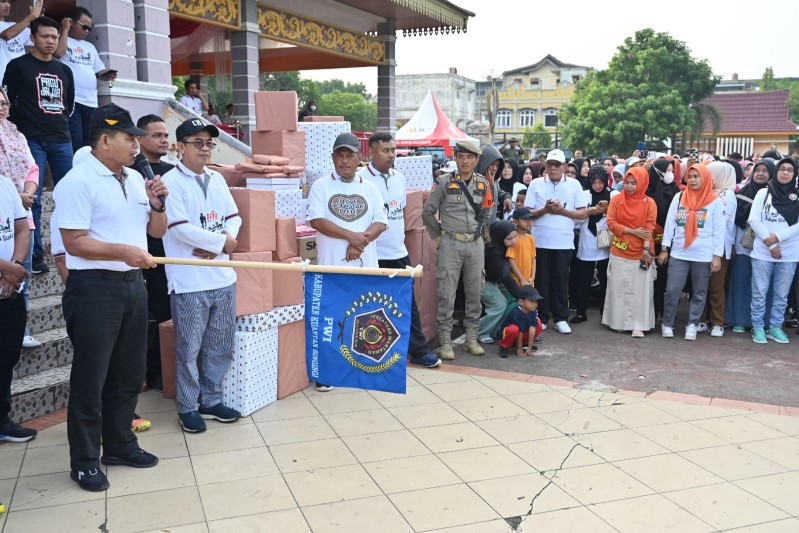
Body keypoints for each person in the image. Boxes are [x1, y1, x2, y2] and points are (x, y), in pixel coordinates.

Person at [55, 104, 167, 491]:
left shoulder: (137, 179)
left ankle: (120, 443)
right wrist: (122, 251)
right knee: (91, 377)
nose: (137, 145)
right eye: (129, 138)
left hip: (133, 284)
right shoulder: (78, 181)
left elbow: (155, 230)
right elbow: (74, 241)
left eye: (137, 138)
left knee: (129, 373)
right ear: (104, 140)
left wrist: (158, 204)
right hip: (94, 289)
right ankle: (84, 460)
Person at [160, 118, 241, 432]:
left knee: (220, 343)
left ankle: (211, 399)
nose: (205, 148)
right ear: (180, 147)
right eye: (198, 143)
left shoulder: (217, 179)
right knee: (189, 346)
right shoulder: (172, 181)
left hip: (223, 276)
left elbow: (233, 217)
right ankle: (188, 406)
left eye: (209, 143)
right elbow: (179, 229)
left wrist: (225, 243)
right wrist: (221, 242)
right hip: (189, 280)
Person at [308, 132, 387, 388]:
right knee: (331, 321)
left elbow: (380, 222)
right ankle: (327, 374)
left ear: (359, 158)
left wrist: (359, 244)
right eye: (340, 156)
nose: (344, 161)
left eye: (349, 156)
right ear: (333, 158)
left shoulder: (370, 187)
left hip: (364, 269)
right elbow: (318, 221)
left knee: (363, 320)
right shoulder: (321, 186)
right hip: (331, 268)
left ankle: (358, 369)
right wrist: (352, 237)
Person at [358, 132, 440, 368]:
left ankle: (419, 350)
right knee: (373, 306)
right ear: (371, 152)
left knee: (407, 303)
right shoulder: (361, 180)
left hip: (398, 252)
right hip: (373, 255)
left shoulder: (399, 178)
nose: (391, 155)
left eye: (393, 150)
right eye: (386, 150)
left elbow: (399, 215)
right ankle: (373, 354)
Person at [4, 15, 75, 276]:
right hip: (31, 139)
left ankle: (73, 248)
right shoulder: (18, 66)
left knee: (71, 194)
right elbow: (8, 101)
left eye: (54, 37)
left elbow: (69, 104)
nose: (50, 41)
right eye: (44, 36)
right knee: (31, 198)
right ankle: (34, 255)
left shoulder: (64, 70)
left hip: (62, 140)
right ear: (32, 38)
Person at [422, 140, 490, 359]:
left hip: (475, 243)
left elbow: (487, 213)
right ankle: (445, 342)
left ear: (476, 160)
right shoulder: (444, 182)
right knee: (446, 293)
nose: (465, 161)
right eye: (461, 157)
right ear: (455, 159)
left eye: (470, 157)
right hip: (450, 243)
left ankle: (471, 339)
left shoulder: (483, 184)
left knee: (475, 291)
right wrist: (439, 236)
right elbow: (427, 212)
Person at [524, 149, 589, 334]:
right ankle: (542, 317)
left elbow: (583, 213)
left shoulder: (575, 185)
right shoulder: (536, 184)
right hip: (540, 242)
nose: (553, 168)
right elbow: (527, 213)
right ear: (546, 166)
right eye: (550, 164)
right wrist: (545, 210)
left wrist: (562, 211)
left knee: (561, 281)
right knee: (541, 281)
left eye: (557, 165)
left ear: (564, 167)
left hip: (563, 242)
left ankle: (561, 318)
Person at [658, 164, 725, 341]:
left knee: (699, 292)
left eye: (697, 176)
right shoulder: (679, 197)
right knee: (672, 290)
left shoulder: (715, 201)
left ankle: (692, 324)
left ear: (705, 178)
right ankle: (668, 323)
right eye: (691, 176)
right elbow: (670, 225)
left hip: (703, 255)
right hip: (679, 253)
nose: (693, 180)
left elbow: (719, 231)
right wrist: (665, 248)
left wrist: (717, 256)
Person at [132, 114, 174, 392]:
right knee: (148, 318)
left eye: (166, 135)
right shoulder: (131, 171)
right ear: (140, 138)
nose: (163, 140)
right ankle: (151, 371)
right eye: (157, 135)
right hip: (141, 255)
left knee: (167, 314)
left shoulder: (174, 170)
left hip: (172, 252)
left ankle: (165, 370)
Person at [0, 85, 40, 349]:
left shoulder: (17, 135)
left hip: (21, 213)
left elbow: (33, 168)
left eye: (4, 103)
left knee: (20, 274)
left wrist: (26, 193)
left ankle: (20, 328)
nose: (1, 108)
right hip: (8, 205)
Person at [747, 158, 799, 344]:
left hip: (789, 253)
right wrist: (771, 245)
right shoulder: (763, 193)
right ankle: (758, 327)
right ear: (776, 172)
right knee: (759, 292)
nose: (785, 173)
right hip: (763, 251)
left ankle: (775, 327)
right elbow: (754, 220)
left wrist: (777, 237)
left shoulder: (798, 194)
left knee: (781, 294)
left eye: (790, 170)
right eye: (782, 169)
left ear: (794, 174)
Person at [0, 175, 36, 443]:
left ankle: (2, 420)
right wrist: (6, 268)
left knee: (7, 356)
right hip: (7, 276)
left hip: (9, 288)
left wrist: (15, 264)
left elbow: (22, 229)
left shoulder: (4, 184)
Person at [603, 167, 657, 336]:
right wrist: (633, 231)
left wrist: (646, 250)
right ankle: (618, 322)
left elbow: (649, 227)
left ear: (642, 183)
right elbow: (611, 223)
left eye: (634, 183)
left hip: (641, 252)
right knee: (618, 288)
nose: (630, 186)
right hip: (620, 250)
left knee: (641, 290)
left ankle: (638, 324)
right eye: (627, 182)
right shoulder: (617, 200)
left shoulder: (649, 203)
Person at [55, 7, 116, 153]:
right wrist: (64, 29)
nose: (87, 31)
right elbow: (58, 53)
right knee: (75, 140)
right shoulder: (59, 39)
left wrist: (107, 74)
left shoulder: (90, 47)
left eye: (90, 28)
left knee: (89, 142)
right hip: (73, 100)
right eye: (84, 26)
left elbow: (98, 70)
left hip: (91, 101)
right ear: (71, 22)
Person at [726, 159, 775, 332]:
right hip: (743, 247)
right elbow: (732, 222)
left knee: (764, 286)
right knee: (741, 282)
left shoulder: (777, 196)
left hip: (768, 247)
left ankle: (763, 322)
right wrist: (731, 244)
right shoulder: (741, 194)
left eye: (765, 170)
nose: (761, 173)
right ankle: (739, 319)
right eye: (757, 170)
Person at [572, 165, 616, 324]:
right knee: (583, 280)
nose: (598, 185)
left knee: (605, 279)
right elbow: (576, 218)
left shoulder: (614, 194)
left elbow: (619, 215)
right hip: (587, 242)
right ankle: (581, 312)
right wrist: (590, 211)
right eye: (594, 182)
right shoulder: (583, 195)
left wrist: (606, 211)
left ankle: (606, 312)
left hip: (605, 243)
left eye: (601, 182)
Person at [698, 162, 737, 337]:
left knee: (716, 286)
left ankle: (717, 322)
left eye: (711, 174)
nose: (708, 178)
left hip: (720, 248)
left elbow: (723, 219)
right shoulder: (706, 193)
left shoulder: (727, 194)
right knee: (701, 285)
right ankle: (702, 319)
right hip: (704, 245)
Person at [477, 220, 525, 346]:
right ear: (500, 237)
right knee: (499, 304)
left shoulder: (503, 247)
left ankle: (496, 331)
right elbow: (505, 276)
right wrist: (521, 295)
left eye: (515, 237)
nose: (514, 241)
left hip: (494, 282)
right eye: (509, 238)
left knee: (510, 300)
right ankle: (480, 332)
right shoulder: (493, 252)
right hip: (483, 282)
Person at [646, 158, 681, 322]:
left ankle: (664, 314)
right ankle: (650, 314)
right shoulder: (647, 191)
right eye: (666, 170)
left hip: (669, 242)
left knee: (666, 281)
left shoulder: (675, 190)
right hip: (649, 242)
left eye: (671, 170)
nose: (670, 174)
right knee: (649, 280)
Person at [0, 0, 43, 84]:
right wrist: (31, 16)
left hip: (20, 80)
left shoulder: (14, 25)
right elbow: (8, 35)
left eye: (9, 2)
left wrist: (38, 20)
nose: (8, 5)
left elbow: (38, 37)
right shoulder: (14, 29)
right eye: (3, 2)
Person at [498, 286, 543, 358]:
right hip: (508, 335)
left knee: (539, 325)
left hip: (520, 335)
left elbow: (532, 328)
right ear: (521, 302)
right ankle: (504, 346)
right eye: (531, 301)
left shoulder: (533, 311)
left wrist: (529, 348)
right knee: (514, 329)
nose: (534, 304)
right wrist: (520, 349)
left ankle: (525, 344)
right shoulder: (516, 312)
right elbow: (519, 331)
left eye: (536, 301)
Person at [476, 144, 509, 221]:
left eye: (497, 165)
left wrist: (506, 196)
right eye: (492, 164)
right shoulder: (473, 181)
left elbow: (498, 191)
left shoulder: (493, 179)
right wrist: (489, 187)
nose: (494, 168)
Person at [506, 207, 536, 288]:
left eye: (530, 219)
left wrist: (533, 277)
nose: (529, 222)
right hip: (517, 280)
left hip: (529, 281)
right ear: (515, 221)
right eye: (525, 219)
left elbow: (533, 259)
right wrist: (521, 278)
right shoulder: (513, 239)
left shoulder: (531, 239)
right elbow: (511, 260)